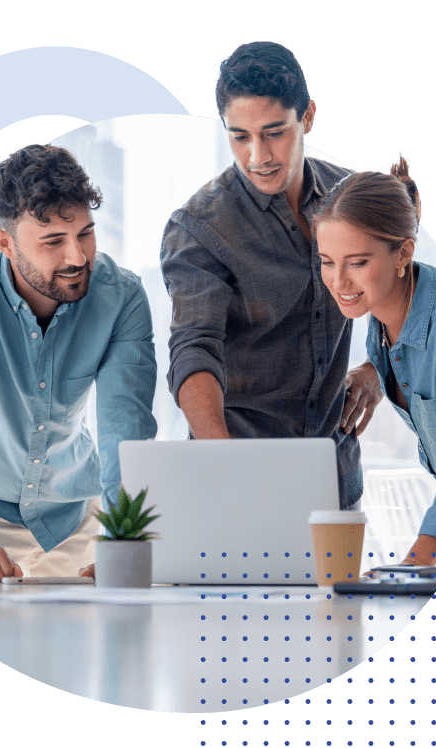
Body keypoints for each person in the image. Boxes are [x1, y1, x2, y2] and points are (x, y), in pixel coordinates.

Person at [0, 144, 157, 582]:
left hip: (77, 520)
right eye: (53, 241)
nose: (77, 257)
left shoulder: (122, 298)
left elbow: (126, 428)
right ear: (5, 242)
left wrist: (123, 539)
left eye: (84, 233)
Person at [160, 41, 382, 510]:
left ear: (308, 118)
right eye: (239, 136)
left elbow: (398, 291)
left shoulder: (352, 197)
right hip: (235, 479)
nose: (257, 155)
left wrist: (377, 366)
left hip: (335, 480)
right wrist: (226, 464)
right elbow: (194, 348)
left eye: (274, 132)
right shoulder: (200, 227)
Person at [313, 154, 436, 565]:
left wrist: (411, 568)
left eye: (357, 263)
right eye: (327, 262)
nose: (339, 282)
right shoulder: (381, 322)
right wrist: (374, 369)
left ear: (403, 254)